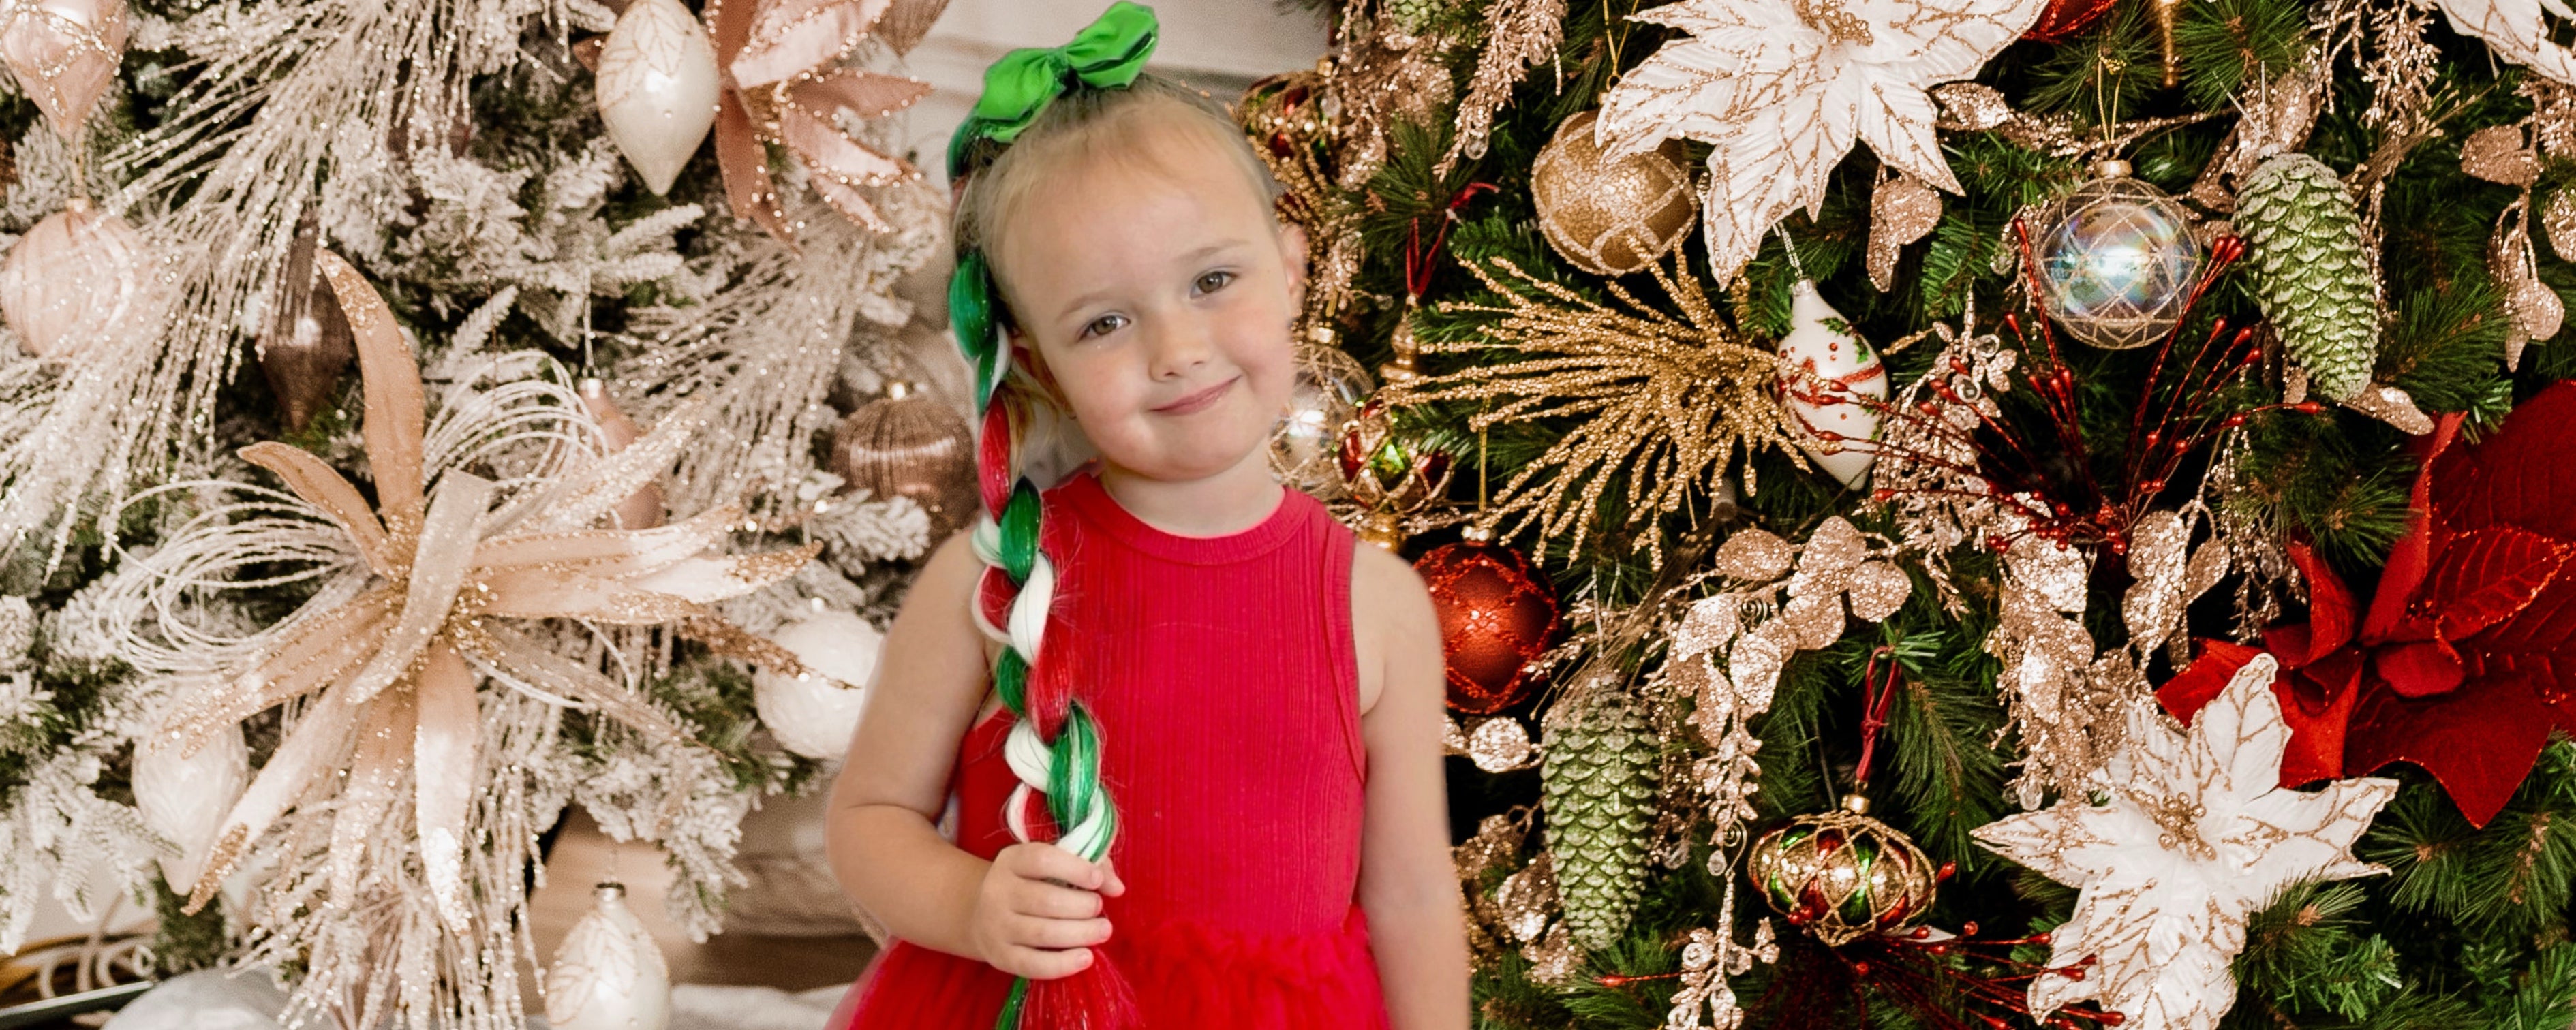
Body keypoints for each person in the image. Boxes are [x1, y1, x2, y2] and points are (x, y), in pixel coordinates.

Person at [821, 5, 1468, 1028]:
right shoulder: (991, 578)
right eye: (1106, 322)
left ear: (1291, 269)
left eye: (1213, 280)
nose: (1176, 349)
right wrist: (972, 904)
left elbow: (1413, 892)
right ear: (1038, 361)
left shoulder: (1375, 600)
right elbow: (868, 821)